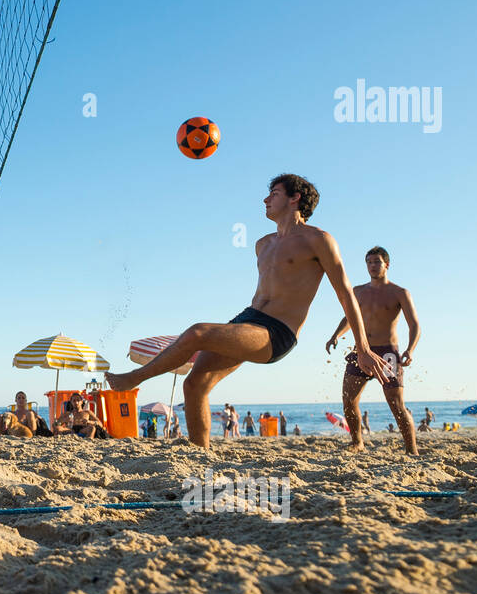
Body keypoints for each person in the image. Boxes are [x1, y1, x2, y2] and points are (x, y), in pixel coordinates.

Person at [106, 174, 389, 448]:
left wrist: (362, 347)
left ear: (295, 198)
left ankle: (135, 377)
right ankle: (200, 455)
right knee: (194, 386)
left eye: (274, 194)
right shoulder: (263, 244)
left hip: (277, 331)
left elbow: (345, 294)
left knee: (198, 332)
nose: (265, 199)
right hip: (248, 320)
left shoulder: (319, 239)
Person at [325, 246, 422, 455]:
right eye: (369, 262)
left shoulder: (399, 293)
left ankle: (412, 450)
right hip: (361, 351)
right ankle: (357, 442)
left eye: (377, 262)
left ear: (386, 265)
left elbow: (415, 325)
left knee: (396, 405)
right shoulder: (358, 292)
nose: (372, 266)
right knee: (348, 401)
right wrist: (336, 335)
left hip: (387, 353)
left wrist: (410, 350)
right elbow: (349, 318)